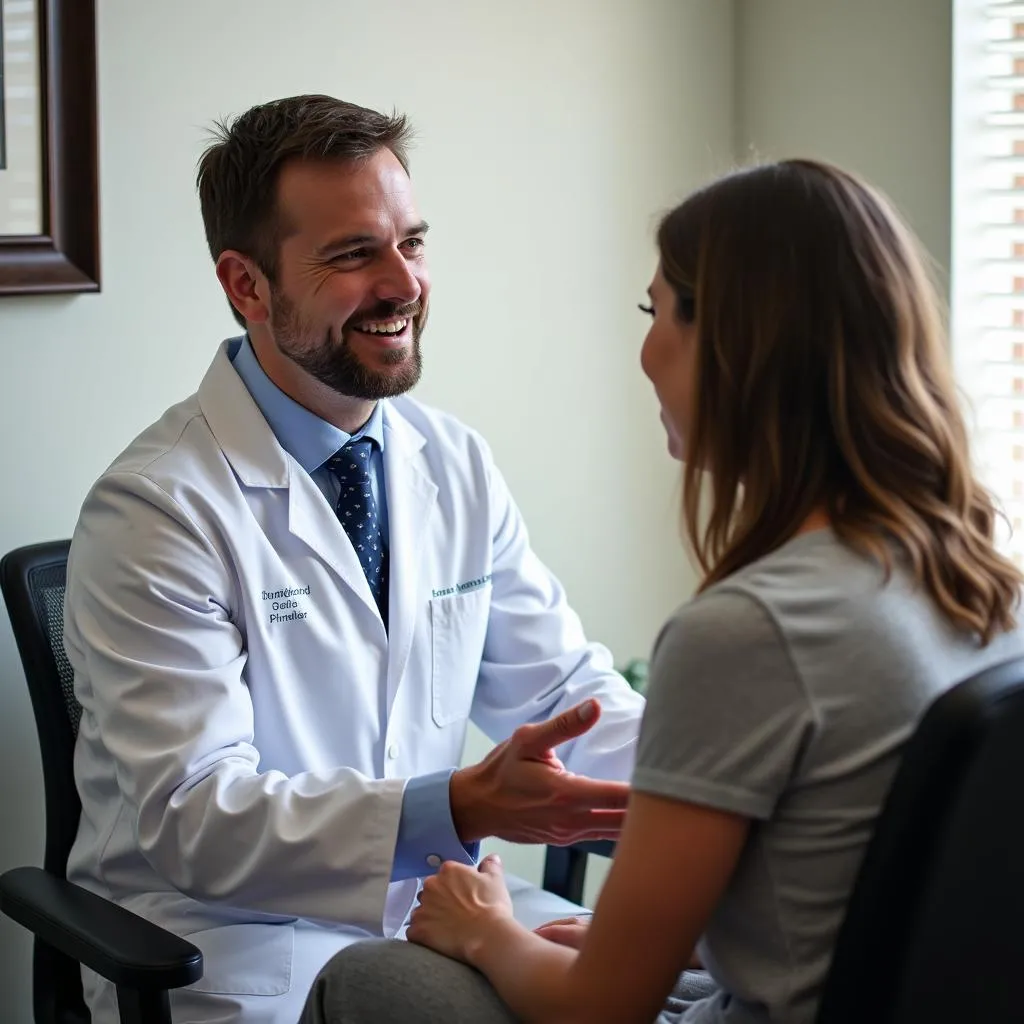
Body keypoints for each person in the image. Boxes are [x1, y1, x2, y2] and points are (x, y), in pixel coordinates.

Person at [299, 159, 1024, 1024]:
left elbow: (600, 1009)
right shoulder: (979, 578)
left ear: (738, 344)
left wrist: (486, 928)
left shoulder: (747, 632)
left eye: (657, 311)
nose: (645, 350)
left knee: (371, 978)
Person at [62, 94, 644, 1024]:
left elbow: (561, 695)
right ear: (246, 286)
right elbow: (199, 820)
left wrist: (720, 791)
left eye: (411, 243)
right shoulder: (156, 508)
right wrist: (455, 806)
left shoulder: (450, 460)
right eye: (352, 254)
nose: (403, 283)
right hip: (231, 949)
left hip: (438, 916)